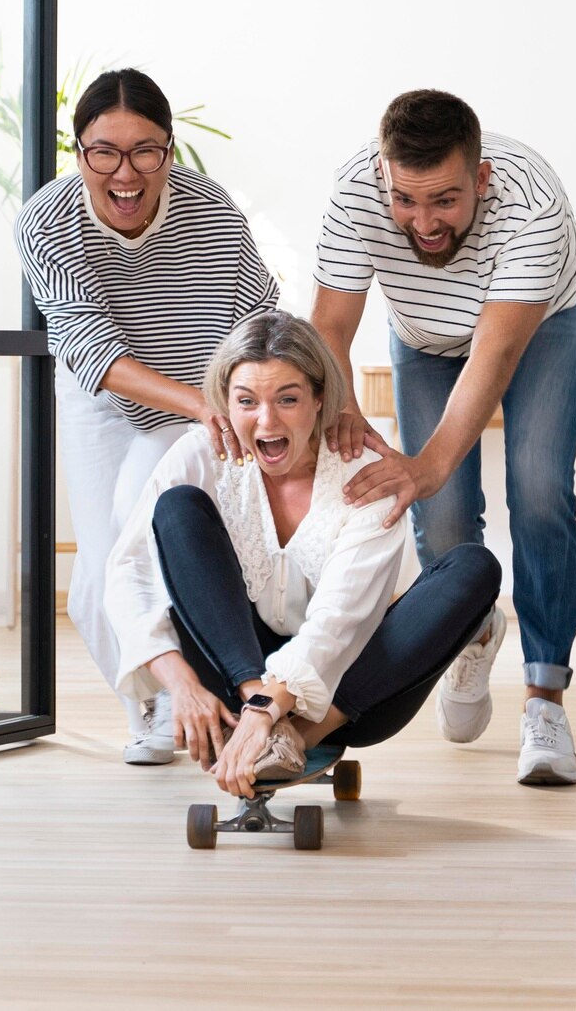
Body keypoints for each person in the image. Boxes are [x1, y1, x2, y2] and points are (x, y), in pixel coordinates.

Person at [311, 89, 576, 785]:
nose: (423, 221)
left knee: (538, 487)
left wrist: (425, 465)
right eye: (407, 200)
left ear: (482, 180)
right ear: (384, 176)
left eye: (444, 200)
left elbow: (494, 355)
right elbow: (329, 329)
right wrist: (341, 404)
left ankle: (545, 694)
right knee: (435, 515)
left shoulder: (532, 205)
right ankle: (475, 627)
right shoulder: (355, 192)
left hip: (538, 325)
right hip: (423, 335)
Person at [103, 311, 503, 795]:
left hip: (347, 695)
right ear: (225, 402)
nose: (266, 420)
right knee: (178, 508)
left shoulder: (364, 471)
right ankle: (262, 720)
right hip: (234, 675)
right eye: (246, 401)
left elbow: (340, 619)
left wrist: (275, 716)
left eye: (287, 399)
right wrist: (187, 687)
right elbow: (131, 570)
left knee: (473, 567)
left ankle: (296, 738)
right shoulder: (200, 454)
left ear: (319, 400)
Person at [15, 68, 279, 765]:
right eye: (105, 151)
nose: (125, 172)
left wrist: (246, 402)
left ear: (170, 149)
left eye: (145, 151)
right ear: (78, 153)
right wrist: (199, 402)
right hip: (101, 390)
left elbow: (259, 315)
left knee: (143, 519)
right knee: (99, 574)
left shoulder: (211, 210)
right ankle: (157, 703)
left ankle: (180, 701)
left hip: (197, 390)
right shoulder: (45, 220)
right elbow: (92, 349)